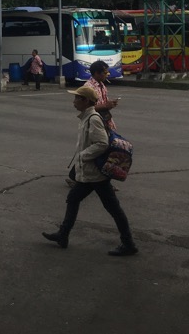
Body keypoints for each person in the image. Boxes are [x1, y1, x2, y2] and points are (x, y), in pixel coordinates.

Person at [42, 86, 138, 256]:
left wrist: (83, 156)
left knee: (113, 208)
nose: (74, 102)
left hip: (95, 174)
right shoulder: (86, 117)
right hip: (90, 173)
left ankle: (128, 243)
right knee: (74, 198)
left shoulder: (92, 118)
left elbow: (102, 143)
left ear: (85, 101)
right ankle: (63, 235)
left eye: (77, 98)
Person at [83, 60, 119, 130]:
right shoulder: (88, 87)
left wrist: (110, 104)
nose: (107, 74)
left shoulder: (102, 85)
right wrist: (105, 106)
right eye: (105, 72)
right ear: (96, 73)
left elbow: (103, 102)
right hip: (95, 123)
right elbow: (86, 109)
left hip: (105, 120)